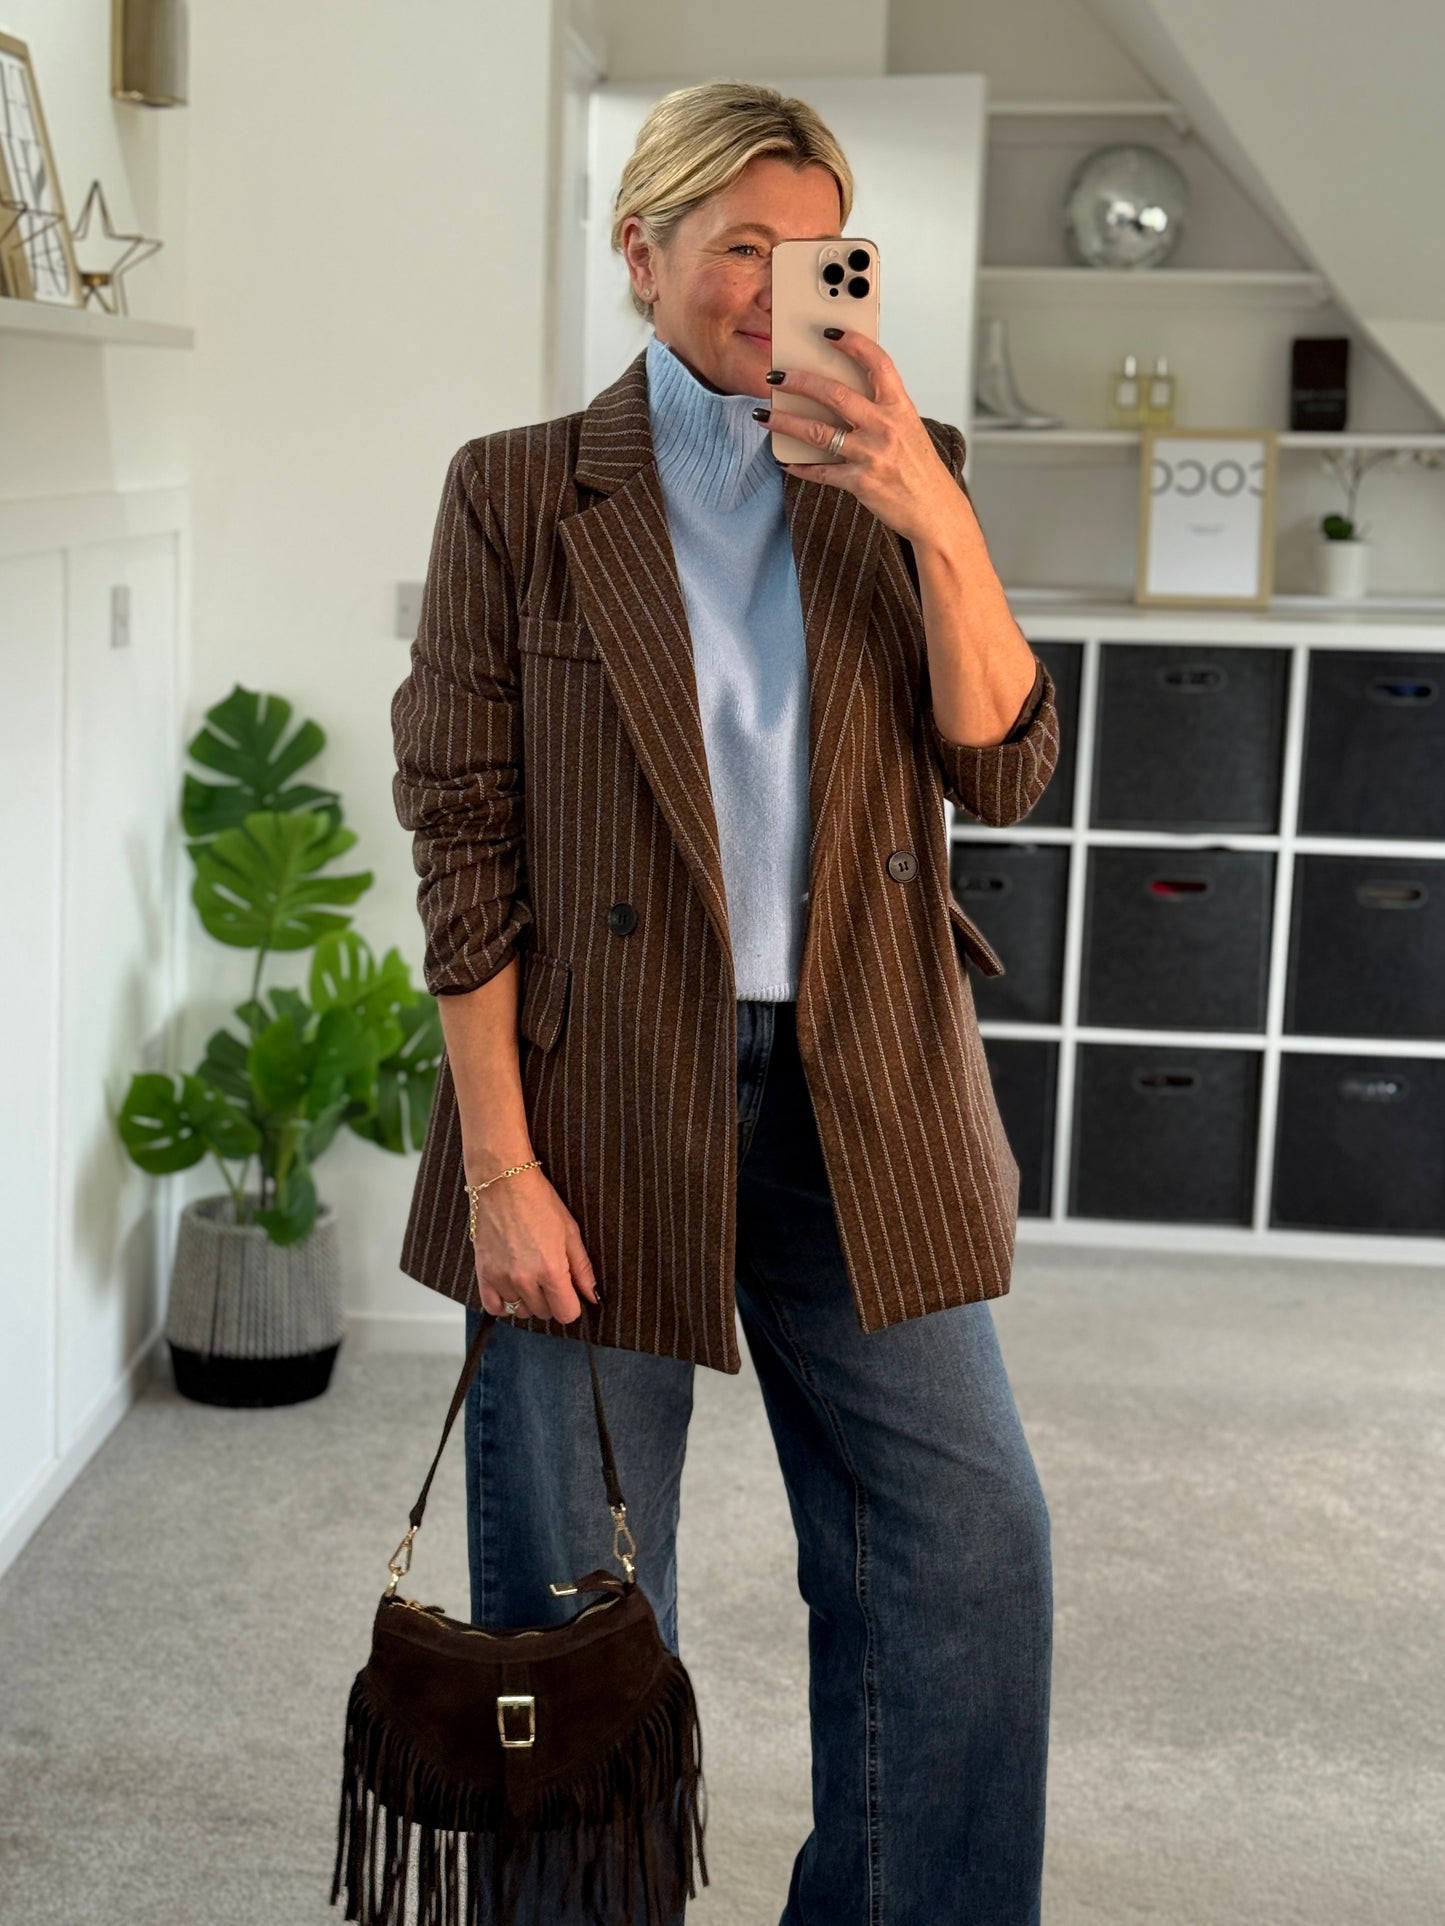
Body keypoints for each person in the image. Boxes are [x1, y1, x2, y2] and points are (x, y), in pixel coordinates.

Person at [390, 78, 1059, 1926]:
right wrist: (501, 1172)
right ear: (642, 255)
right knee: (584, 1597)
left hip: (864, 1086)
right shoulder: (518, 488)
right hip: (594, 1097)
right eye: (735, 247)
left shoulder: (890, 475)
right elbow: (462, 839)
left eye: (813, 249)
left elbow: (1001, 772)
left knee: (968, 1546)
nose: (776, 289)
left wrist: (930, 510)